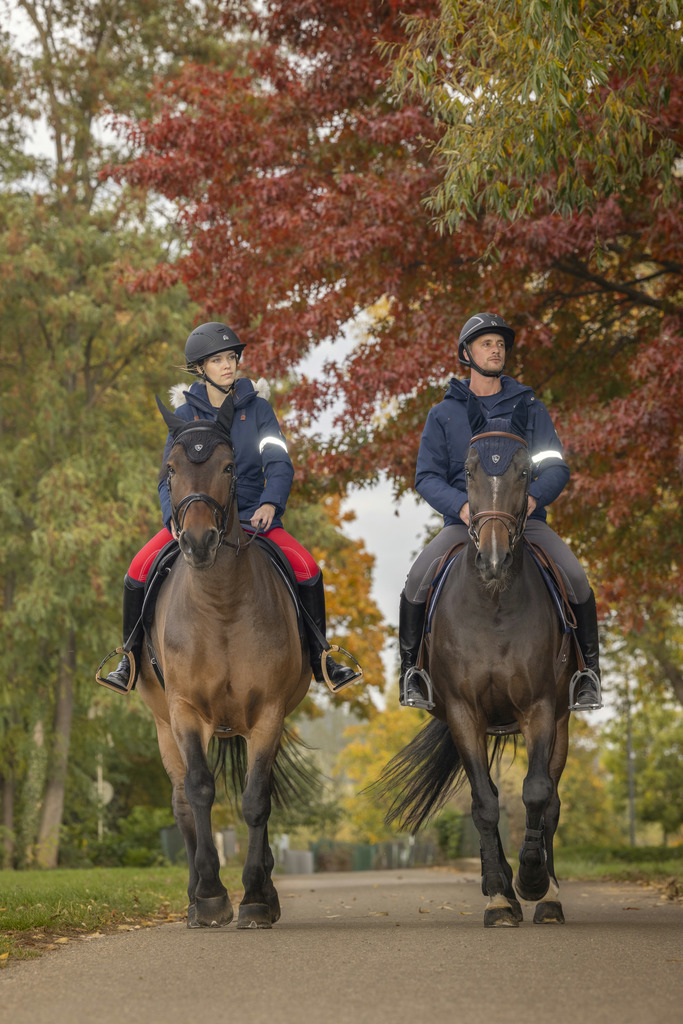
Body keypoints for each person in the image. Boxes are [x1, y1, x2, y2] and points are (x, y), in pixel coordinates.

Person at [103, 321, 358, 693]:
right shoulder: (184, 416)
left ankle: (322, 657)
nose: (228, 365)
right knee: (137, 569)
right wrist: (170, 519)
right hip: (192, 519)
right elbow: (166, 479)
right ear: (199, 368)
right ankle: (128, 657)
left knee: (308, 568)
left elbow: (279, 463)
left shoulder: (258, 410)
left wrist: (272, 502)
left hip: (253, 516)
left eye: (232, 357)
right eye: (218, 359)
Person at [399, 312, 602, 713]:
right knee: (416, 582)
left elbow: (556, 465)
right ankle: (412, 673)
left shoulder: (529, 407)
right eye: (486, 343)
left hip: (525, 523)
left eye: (500, 344)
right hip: (463, 525)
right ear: (466, 354)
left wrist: (535, 497)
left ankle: (588, 675)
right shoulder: (443, 414)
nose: (496, 350)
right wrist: (459, 506)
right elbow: (426, 476)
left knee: (576, 577)